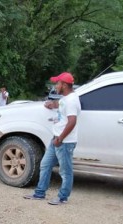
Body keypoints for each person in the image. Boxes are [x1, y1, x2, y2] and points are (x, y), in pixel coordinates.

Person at [24, 72, 81, 205]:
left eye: (58, 83)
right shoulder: (66, 98)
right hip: (57, 140)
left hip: (64, 142)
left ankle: (62, 197)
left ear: (65, 85)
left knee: (65, 171)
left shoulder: (72, 100)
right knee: (45, 164)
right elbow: (61, 107)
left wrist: (60, 138)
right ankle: (39, 193)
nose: (56, 86)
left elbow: (72, 121)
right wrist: (52, 105)